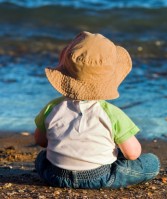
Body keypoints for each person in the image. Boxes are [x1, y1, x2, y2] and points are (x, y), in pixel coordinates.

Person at [34, 31, 160, 189]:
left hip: (55, 175)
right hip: (99, 176)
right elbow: (132, 153)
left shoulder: (52, 107)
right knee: (152, 162)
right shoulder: (111, 113)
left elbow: (40, 141)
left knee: (41, 158)